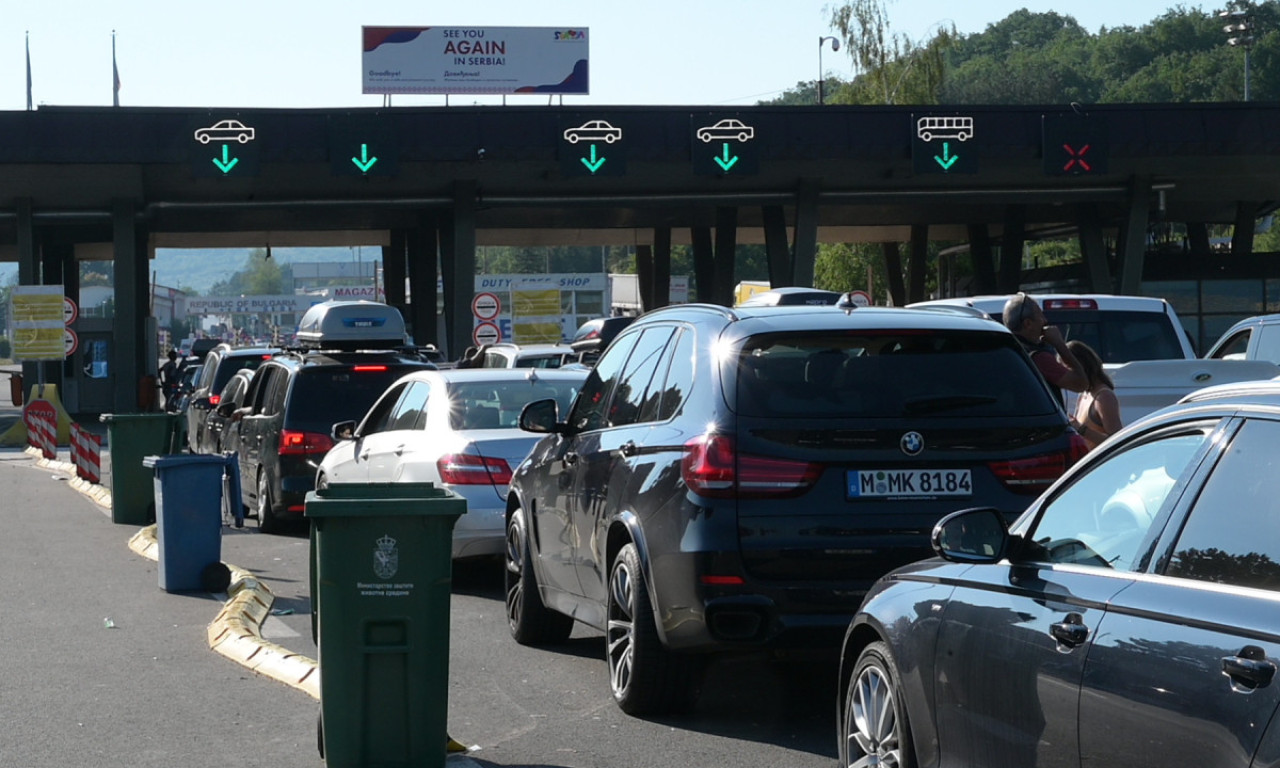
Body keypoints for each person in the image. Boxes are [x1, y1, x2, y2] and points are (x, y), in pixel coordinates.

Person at [1002, 292, 1089, 405]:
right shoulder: (1039, 358)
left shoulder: (1005, 350)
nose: (1045, 321)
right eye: (1040, 316)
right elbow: (1081, 383)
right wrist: (1059, 344)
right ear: (1028, 324)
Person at [1067, 339, 1122, 450]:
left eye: (1068, 371)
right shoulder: (1084, 394)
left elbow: (1117, 442)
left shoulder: (1104, 397)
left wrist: (1082, 430)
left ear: (1081, 367)